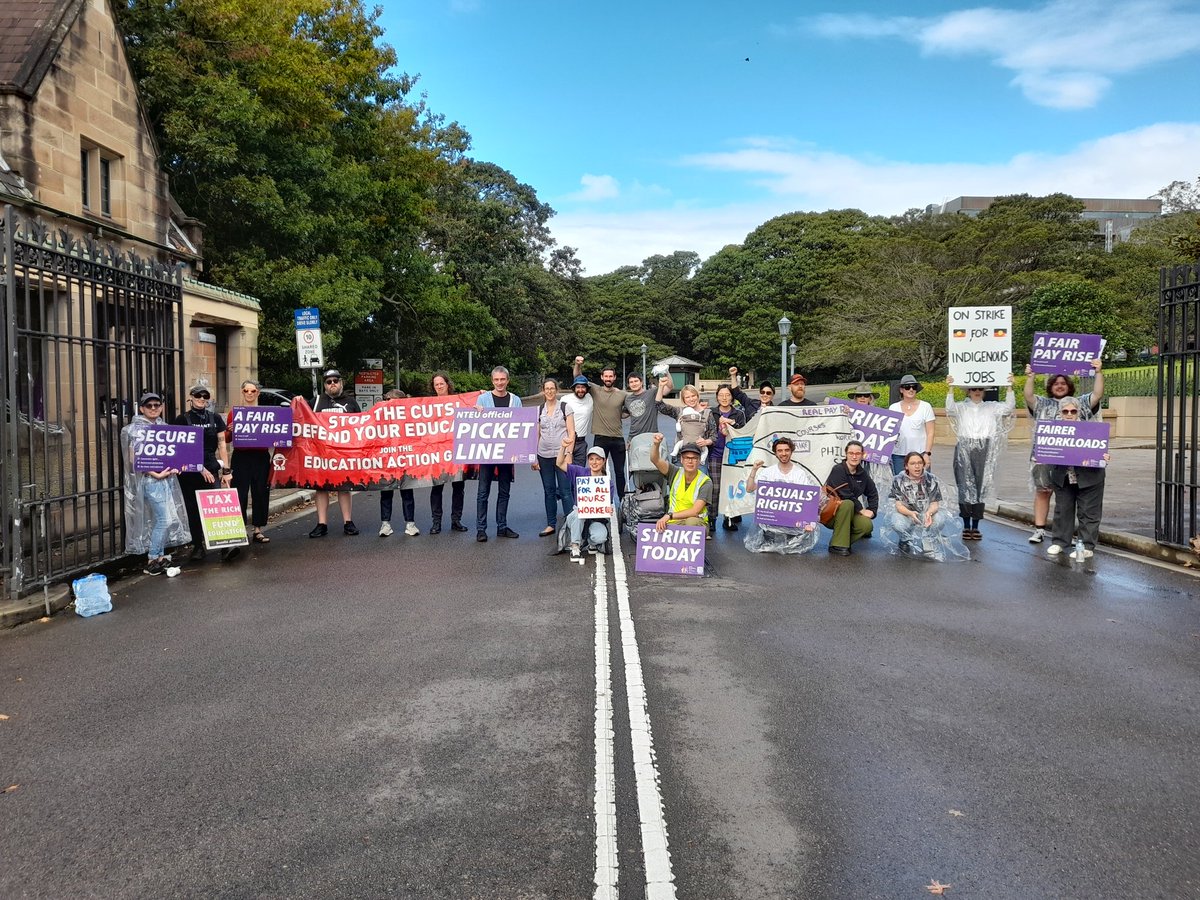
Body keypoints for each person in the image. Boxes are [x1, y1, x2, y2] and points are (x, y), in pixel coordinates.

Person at [1022, 359, 1104, 544]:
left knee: (1070, 496)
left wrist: (1098, 372)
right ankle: (1040, 529)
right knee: (1043, 491)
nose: (1060, 386)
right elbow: (1028, 396)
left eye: (1063, 383)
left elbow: (1098, 394)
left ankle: (1070, 535)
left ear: (1069, 386)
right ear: (1051, 386)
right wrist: (1030, 377)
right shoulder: (1042, 403)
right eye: (1056, 383)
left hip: (1072, 461)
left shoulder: (1080, 403)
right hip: (1044, 456)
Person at [122, 392, 191, 574]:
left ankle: (160, 558)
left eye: (156, 405)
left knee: (164, 519)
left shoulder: (164, 427)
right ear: (142, 408)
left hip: (165, 479)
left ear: (161, 407)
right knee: (165, 519)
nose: (153, 408)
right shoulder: (135, 429)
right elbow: (133, 458)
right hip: (151, 480)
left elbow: (172, 453)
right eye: (149, 405)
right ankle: (153, 559)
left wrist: (176, 467)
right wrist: (155, 473)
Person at [945, 373, 1016, 540]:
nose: (977, 391)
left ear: (984, 391)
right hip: (964, 446)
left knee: (980, 486)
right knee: (964, 485)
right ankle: (966, 524)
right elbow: (949, 409)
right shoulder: (961, 407)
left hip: (985, 447)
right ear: (968, 391)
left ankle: (976, 525)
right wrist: (950, 388)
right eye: (973, 388)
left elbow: (1008, 408)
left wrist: (1009, 387)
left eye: (980, 389)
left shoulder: (992, 406)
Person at [174, 382, 233, 561]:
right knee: (193, 509)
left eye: (205, 397)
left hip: (211, 466)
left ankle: (224, 546)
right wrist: (199, 468)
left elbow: (222, 444)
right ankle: (198, 546)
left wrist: (227, 470)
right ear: (190, 397)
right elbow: (180, 448)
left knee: (216, 507)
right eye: (198, 396)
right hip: (190, 471)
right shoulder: (182, 419)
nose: (201, 399)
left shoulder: (215, 418)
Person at [1046, 396, 1109, 561]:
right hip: (1063, 476)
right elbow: (1045, 449)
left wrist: (1104, 456)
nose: (1069, 414)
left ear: (1078, 412)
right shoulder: (1052, 429)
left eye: (1073, 411)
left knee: (1088, 512)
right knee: (1062, 510)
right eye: (1065, 411)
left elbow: (1100, 450)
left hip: (1090, 477)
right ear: (1060, 413)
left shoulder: (1091, 429)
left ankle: (1086, 546)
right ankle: (1060, 542)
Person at [881, 452, 969, 561]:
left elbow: (934, 503)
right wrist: (911, 513)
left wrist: (929, 513)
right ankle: (905, 539)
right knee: (897, 522)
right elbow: (898, 505)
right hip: (907, 514)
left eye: (919, 463)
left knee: (940, 519)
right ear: (906, 466)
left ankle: (928, 540)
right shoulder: (898, 480)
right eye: (913, 463)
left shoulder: (930, 479)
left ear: (923, 464)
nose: (917, 466)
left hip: (926, 513)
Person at [743, 435, 818, 553]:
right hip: (771, 522)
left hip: (792, 523)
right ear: (775, 453)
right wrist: (754, 470)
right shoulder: (768, 472)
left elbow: (807, 501)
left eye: (787, 450)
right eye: (780, 451)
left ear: (791, 451)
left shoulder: (800, 474)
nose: (784, 453)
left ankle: (787, 539)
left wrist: (810, 523)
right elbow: (749, 489)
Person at [310, 370, 361, 537]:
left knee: (344, 488)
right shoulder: (316, 402)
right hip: (321, 454)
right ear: (324, 385)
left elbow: (361, 427)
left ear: (341, 383)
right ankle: (321, 523)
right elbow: (301, 420)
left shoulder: (351, 402)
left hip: (343, 454)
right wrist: (297, 402)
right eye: (328, 381)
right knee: (321, 489)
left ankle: (348, 522)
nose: (332, 384)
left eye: (335, 381)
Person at [475, 365, 522, 541]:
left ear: (507, 380)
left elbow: (520, 426)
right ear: (492, 381)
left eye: (502, 379)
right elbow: (474, 427)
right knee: (483, 492)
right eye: (496, 380)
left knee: (504, 491)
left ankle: (502, 526)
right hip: (487, 452)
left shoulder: (515, 400)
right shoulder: (483, 399)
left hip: (507, 452)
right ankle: (481, 529)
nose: (499, 383)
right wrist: (476, 414)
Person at [573, 356, 627, 501]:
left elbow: (631, 409)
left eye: (611, 376)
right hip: (600, 437)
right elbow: (578, 377)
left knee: (620, 472)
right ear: (602, 377)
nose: (608, 378)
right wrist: (578, 364)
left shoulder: (622, 394)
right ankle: (598, 499)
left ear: (614, 378)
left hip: (617, 438)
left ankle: (622, 500)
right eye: (606, 376)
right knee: (597, 469)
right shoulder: (595, 390)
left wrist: (621, 414)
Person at [225, 380, 272, 544]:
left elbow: (275, 435)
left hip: (261, 457)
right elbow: (226, 439)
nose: (250, 394)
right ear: (242, 392)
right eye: (246, 391)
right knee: (240, 494)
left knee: (260, 492)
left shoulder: (267, 414)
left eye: (253, 391)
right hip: (241, 457)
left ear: (258, 393)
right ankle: (241, 529)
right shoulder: (234, 413)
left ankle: (258, 530)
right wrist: (229, 431)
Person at [555, 437, 612, 560]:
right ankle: (575, 545)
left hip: (595, 518)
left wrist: (609, 509)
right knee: (578, 514)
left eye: (598, 459)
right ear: (588, 461)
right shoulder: (579, 472)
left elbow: (607, 504)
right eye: (591, 459)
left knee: (600, 537)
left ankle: (591, 543)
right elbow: (559, 463)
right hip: (577, 514)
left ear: (604, 461)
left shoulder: (607, 483)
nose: (594, 462)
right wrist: (563, 447)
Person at [534, 377, 576, 536]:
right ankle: (551, 524)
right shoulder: (539, 410)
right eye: (547, 389)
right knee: (549, 490)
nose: (550, 391)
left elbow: (571, 432)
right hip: (544, 455)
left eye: (552, 388)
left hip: (562, 455)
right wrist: (534, 457)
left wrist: (569, 453)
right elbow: (536, 434)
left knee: (565, 490)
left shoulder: (565, 408)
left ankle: (571, 524)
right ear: (543, 391)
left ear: (556, 390)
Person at [823, 440, 878, 555]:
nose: (854, 456)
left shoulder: (862, 474)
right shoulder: (838, 469)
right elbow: (845, 494)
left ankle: (839, 539)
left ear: (862, 455)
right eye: (851, 453)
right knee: (848, 503)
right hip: (831, 514)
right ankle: (838, 545)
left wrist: (872, 510)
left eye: (857, 454)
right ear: (846, 454)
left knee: (866, 526)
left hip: (850, 512)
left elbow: (873, 492)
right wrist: (862, 510)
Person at [428, 371, 468, 533]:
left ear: (447, 384)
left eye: (441, 384)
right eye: (436, 384)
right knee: (436, 487)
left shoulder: (458, 401)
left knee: (458, 486)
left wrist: (480, 395)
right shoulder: (427, 404)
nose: (439, 387)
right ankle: (436, 522)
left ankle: (456, 520)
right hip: (437, 452)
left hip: (456, 450)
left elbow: (470, 408)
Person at [648, 433, 711, 532]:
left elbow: (695, 511)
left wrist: (669, 516)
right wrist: (656, 445)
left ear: (699, 461)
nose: (690, 461)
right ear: (681, 459)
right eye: (687, 458)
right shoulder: (674, 472)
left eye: (694, 458)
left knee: (691, 523)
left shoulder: (705, 481)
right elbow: (655, 460)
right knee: (658, 530)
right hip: (674, 521)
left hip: (697, 522)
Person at [377, 389, 418, 537]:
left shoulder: (409, 419)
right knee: (386, 493)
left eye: (392, 401)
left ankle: (410, 524)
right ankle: (385, 524)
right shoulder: (379, 417)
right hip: (387, 461)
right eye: (387, 400)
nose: (389, 403)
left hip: (405, 461)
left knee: (407, 492)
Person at [712, 384, 748, 531]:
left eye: (727, 395)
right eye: (721, 395)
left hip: (732, 456)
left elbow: (743, 432)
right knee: (715, 488)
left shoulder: (738, 413)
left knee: (730, 489)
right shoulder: (712, 413)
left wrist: (732, 423)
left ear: (732, 397)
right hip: (715, 454)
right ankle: (711, 519)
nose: (724, 398)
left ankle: (729, 518)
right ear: (717, 397)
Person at [657, 379, 717, 465]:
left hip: (699, 457)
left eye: (693, 396)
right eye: (687, 397)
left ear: (697, 396)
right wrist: (661, 387)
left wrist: (706, 442)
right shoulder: (679, 412)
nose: (691, 399)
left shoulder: (707, 413)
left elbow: (714, 436)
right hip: (681, 456)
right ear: (683, 400)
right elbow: (660, 406)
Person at [846, 381, 895, 488]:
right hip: (854, 456)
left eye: (866, 395)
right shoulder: (848, 414)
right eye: (859, 395)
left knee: (872, 486)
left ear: (870, 398)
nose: (862, 398)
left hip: (873, 459)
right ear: (855, 398)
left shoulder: (880, 415)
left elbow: (890, 433)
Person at [888, 374, 935, 475]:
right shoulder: (893, 408)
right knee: (901, 485)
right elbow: (888, 431)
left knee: (922, 485)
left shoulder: (925, 407)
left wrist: (927, 453)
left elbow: (930, 432)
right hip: (898, 455)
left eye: (914, 387)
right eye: (907, 387)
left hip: (920, 454)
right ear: (901, 390)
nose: (911, 389)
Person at [561, 375, 594, 466]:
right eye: (578, 387)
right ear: (573, 388)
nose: (580, 390)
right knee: (565, 472)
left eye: (583, 387)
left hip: (581, 442)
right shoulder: (565, 399)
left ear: (587, 389)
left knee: (579, 473)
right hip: (566, 440)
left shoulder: (590, 399)